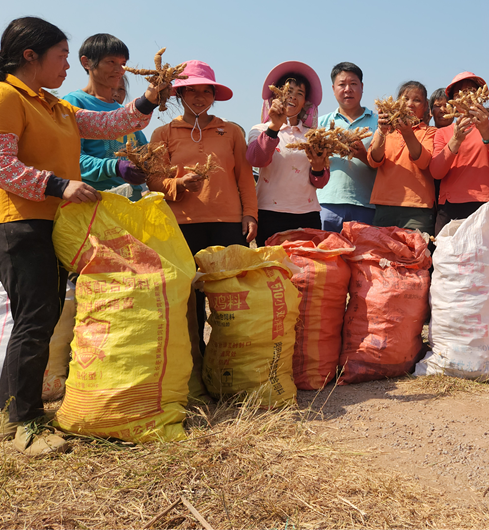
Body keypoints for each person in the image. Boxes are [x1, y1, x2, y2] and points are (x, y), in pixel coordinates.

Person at [0, 17, 166, 455]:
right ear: (29, 56)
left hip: (46, 222)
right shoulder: (1, 97)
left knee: (40, 314)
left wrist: (150, 99)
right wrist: (61, 185)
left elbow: (109, 124)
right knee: (37, 316)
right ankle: (25, 424)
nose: (65, 66)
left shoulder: (53, 105)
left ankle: (11, 410)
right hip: (12, 222)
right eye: (60, 56)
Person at [146, 60, 257, 353]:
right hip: (182, 224)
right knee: (187, 297)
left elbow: (244, 176)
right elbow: (153, 180)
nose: (198, 97)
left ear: (214, 96)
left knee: (230, 294)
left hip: (227, 223)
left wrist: (250, 214)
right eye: (190, 90)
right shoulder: (163, 134)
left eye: (206, 91)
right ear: (179, 95)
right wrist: (177, 185)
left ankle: (231, 359)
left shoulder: (231, 131)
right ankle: (195, 361)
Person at [246, 61, 330, 246]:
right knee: (273, 270)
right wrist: (274, 127)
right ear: (276, 96)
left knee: (305, 269)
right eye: (287, 92)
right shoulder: (260, 130)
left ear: (305, 102)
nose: (292, 97)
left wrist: (317, 169)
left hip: (307, 214)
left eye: (299, 93)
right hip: (269, 214)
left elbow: (321, 182)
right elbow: (256, 159)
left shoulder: (313, 135)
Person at [62, 34, 148, 199]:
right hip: (94, 204)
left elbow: (146, 153)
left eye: (123, 64)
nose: (120, 70)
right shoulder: (72, 103)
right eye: (111, 62)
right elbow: (70, 160)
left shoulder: (125, 114)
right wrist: (114, 167)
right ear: (86, 62)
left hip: (130, 204)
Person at [429, 71, 489, 235]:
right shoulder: (443, 133)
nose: (466, 96)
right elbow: (436, 172)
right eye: (459, 92)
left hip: (487, 205)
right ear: (454, 101)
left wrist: (485, 131)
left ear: (481, 95)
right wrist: (455, 140)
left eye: (471, 90)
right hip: (451, 208)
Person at [367, 81, 437, 235]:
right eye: (405, 99)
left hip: (418, 209)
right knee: (384, 256)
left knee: (415, 256)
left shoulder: (431, 132)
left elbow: (424, 162)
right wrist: (381, 132)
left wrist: (407, 133)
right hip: (384, 205)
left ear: (426, 106)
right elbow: (373, 160)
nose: (410, 104)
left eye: (417, 100)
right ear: (397, 103)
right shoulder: (386, 130)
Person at [316, 62, 379, 231]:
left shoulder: (379, 123)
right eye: (342, 84)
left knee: (363, 256)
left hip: (367, 204)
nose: (347, 89)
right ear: (333, 88)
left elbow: (388, 163)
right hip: (327, 204)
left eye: (353, 84)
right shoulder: (320, 124)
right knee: (327, 255)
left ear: (362, 87)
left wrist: (363, 156)